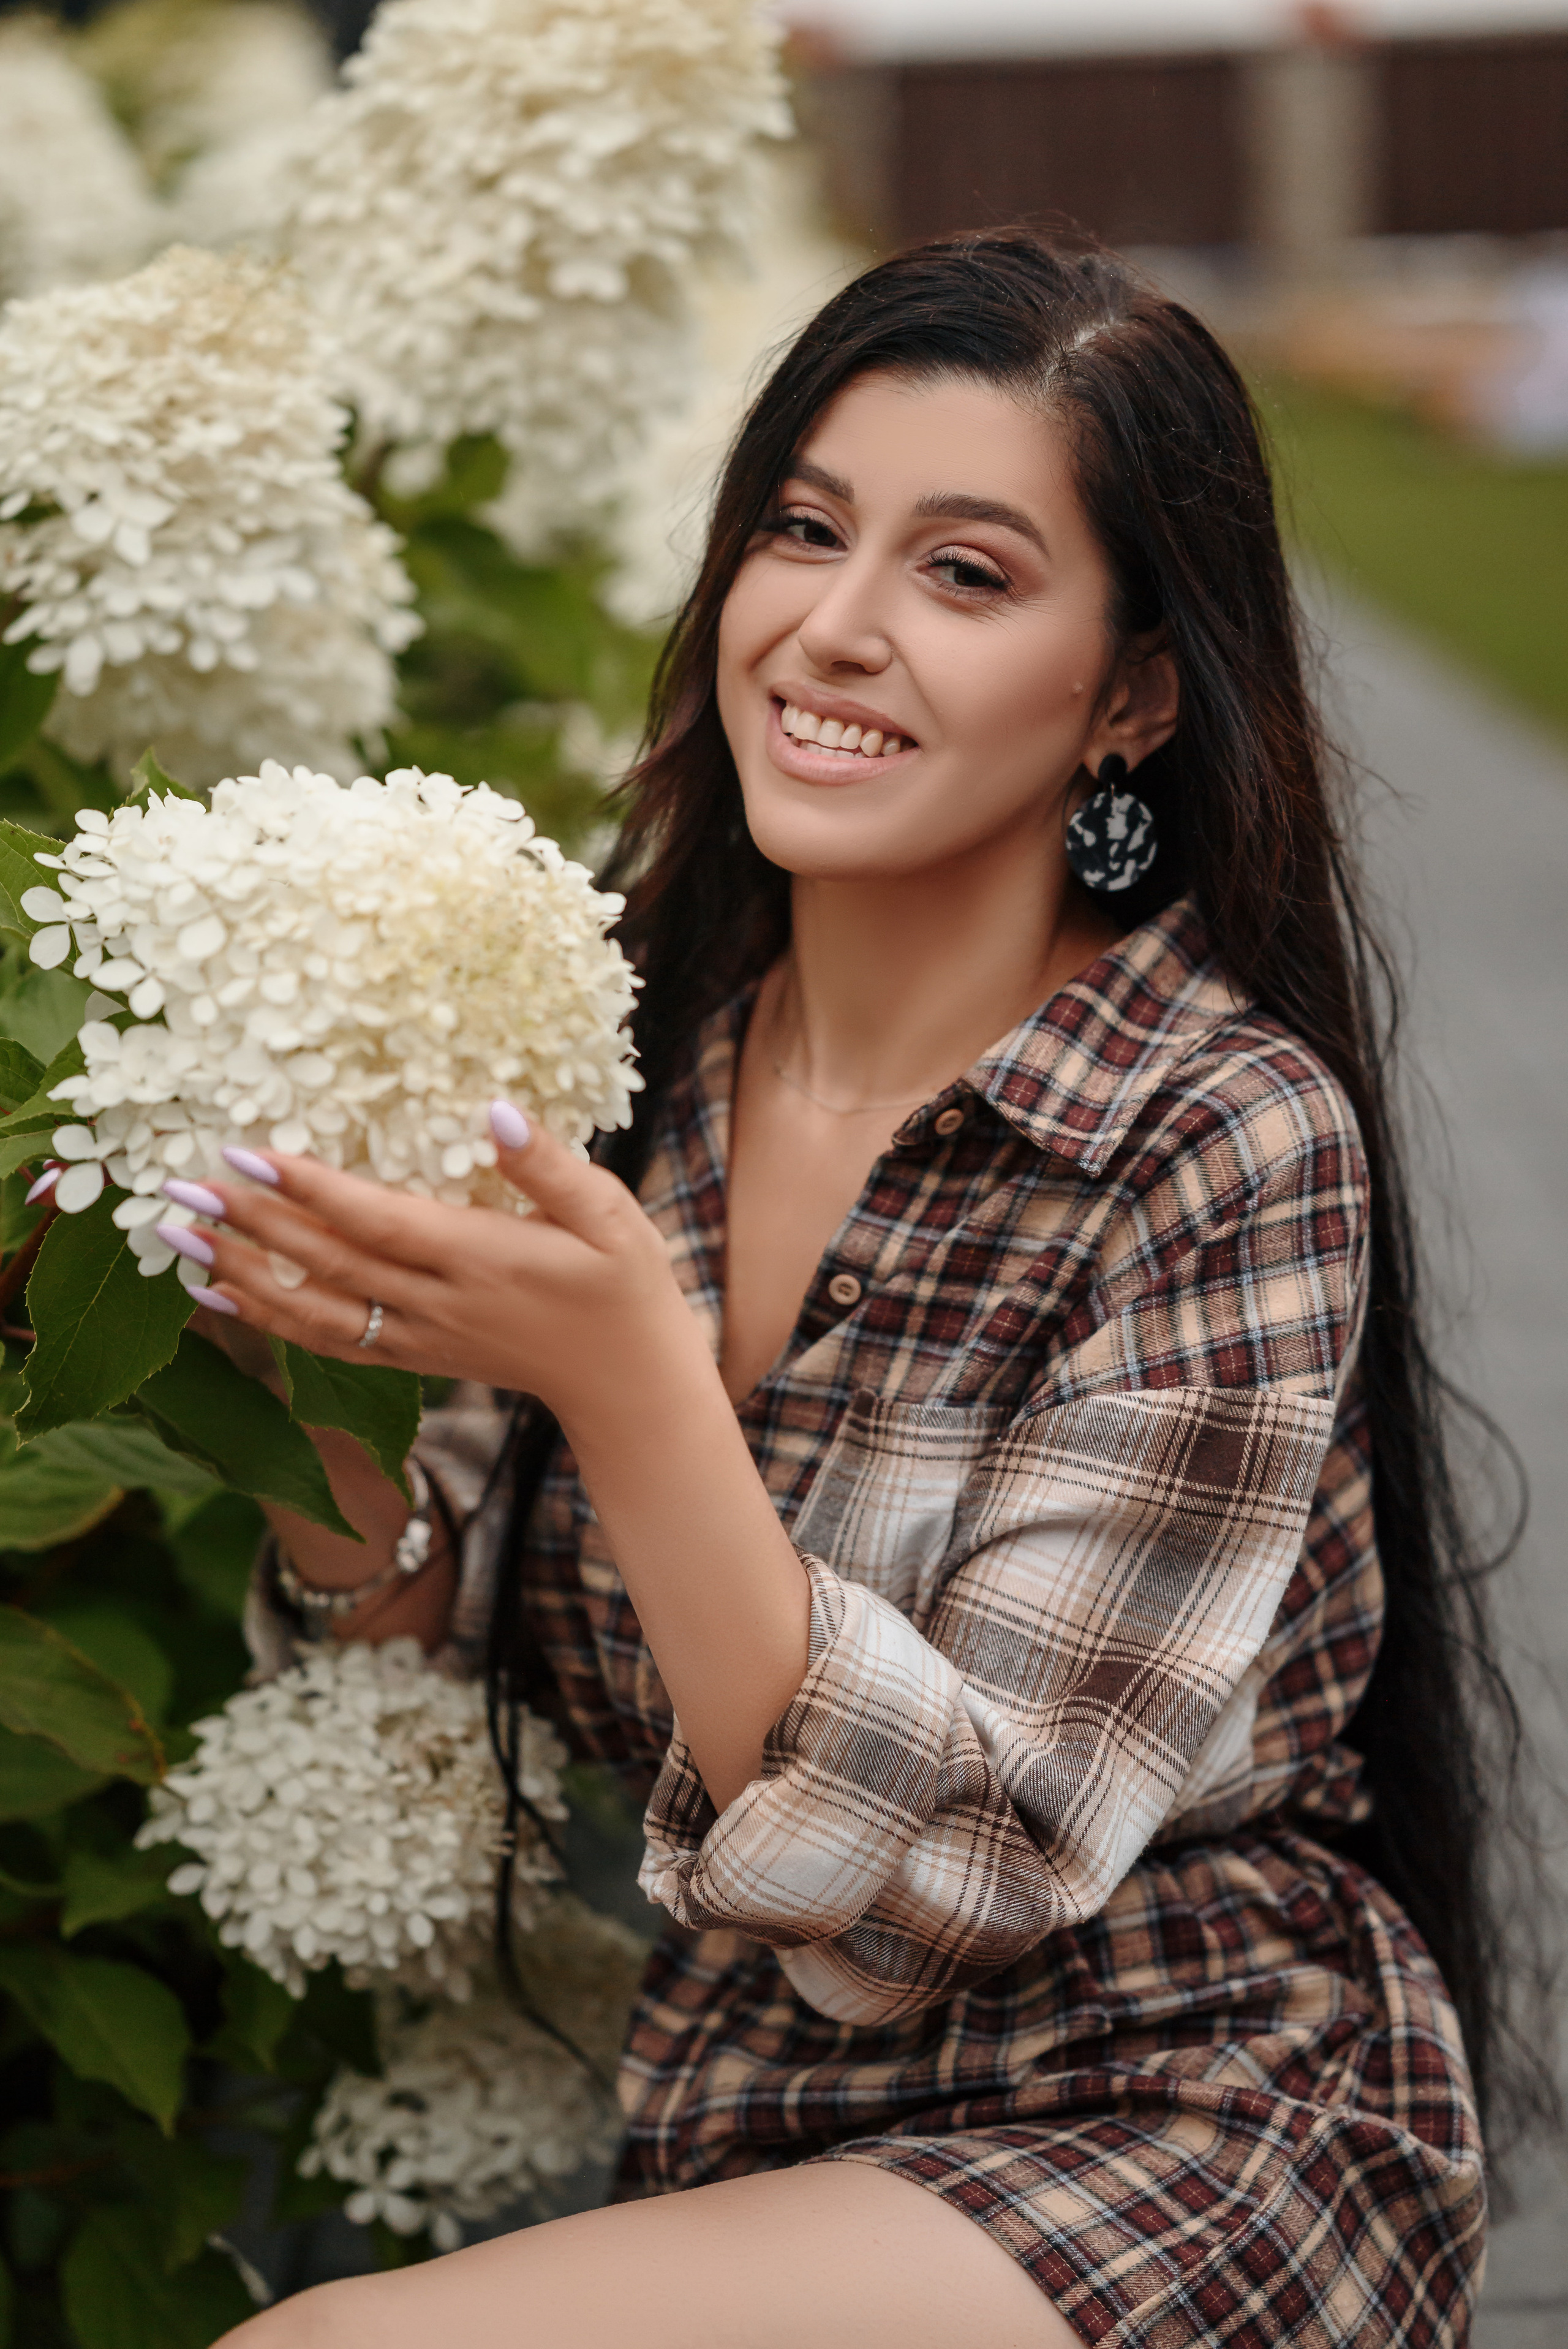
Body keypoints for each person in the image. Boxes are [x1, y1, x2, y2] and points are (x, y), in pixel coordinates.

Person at [189, 231, 1507, 2347]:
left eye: (966, 574)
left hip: (1180, 2102)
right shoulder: (615, 1043)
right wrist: (298, 1362)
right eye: (804, 529)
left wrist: (634, 1384)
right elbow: (409, 1654)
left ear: (1136, 692)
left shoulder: (1220, 1136)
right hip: (750, 2121)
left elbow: (956, 1884)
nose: (837, 625)